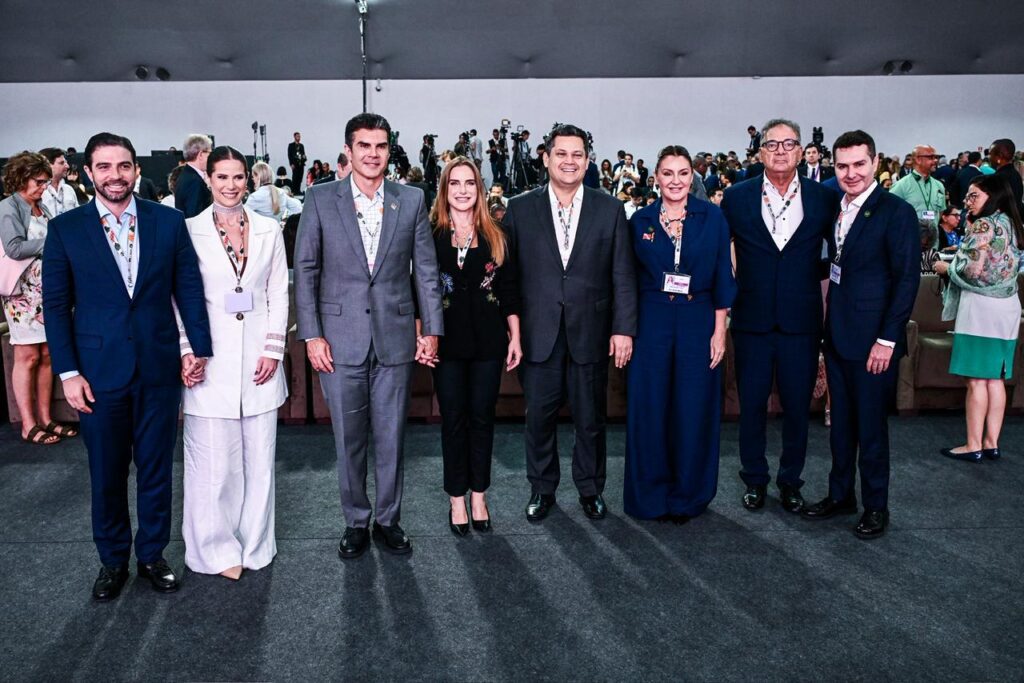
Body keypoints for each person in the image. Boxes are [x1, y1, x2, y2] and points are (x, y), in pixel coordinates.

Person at [42, 132, 211, 600]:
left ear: (136, 170)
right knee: (107, 474)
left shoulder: (168, 221)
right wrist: (68, 373)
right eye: (104, 167)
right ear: (87, 172)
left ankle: (152, 555)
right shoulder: (66, 229)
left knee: (157, 470)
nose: (114, 176)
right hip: (97, 374)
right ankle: (113, 560)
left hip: (158, 367)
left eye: (123, 166)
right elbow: (55, 307)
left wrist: (197, 348)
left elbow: (188, 288)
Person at [294, 113, 443, 559]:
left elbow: (426, 271)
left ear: (389, 150)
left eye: (380, 146)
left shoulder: (411, 199)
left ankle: (388, 519)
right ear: (349, 150)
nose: (373, 154)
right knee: (349, 438)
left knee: (392, 436)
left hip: (395, 337)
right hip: (338, 340)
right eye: (364, 145)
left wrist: (432, 329)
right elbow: (306, 269)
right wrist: (312, 335)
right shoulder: (320, 198)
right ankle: (356, 520)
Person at [502, 123, 637, 522]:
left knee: (591, 419)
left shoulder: (609, 209)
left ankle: (591, 489)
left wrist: (623, 328)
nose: (569, 161)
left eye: (577, 154)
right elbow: (509, 278)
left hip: (591, 332)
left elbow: (623, 274)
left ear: (588, 161)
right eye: (561, 153)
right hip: (538, 332)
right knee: (538, 419)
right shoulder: (519, 209)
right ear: (546, 158)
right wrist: (512, 332)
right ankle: (542, 489)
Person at [801, 130, 919, 539]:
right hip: (837, 336)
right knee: (841, 426)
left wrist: (887, 340)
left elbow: (906, 281)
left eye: (859, 164)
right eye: (843, 166)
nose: (851, 173)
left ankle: (875, 506)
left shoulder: (896, 212)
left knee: (870, 429)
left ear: (875, 163)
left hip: (873, 344)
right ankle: (841, 495)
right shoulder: (838, 208)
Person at [178, 147, 289, 579]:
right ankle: (215, 551)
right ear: (208, 179)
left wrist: (273, 350)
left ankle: (256, 544)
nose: (230, 185)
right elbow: (178, 297)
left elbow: (277, 291)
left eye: (238, 177)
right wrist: (188, 350)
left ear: (249, 180)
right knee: (213, 466)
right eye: (221, 177)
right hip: (209, 360)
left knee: (260, 462)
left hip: (260, 359)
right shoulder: (188, 230)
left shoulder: (268, 228)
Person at [721, 119, 840, 513]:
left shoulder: (824, 199)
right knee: (751, 407)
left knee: (796, 409)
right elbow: (720, 255)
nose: (780, 151)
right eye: (772, 144)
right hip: (751, 321)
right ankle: (754, 479)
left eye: (789, 144)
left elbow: (839, 253)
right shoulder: (736, 197)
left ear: (801, 151)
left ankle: (791, 481)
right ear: (760, 152)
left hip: (801, 322)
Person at [623, 145, 735, 522]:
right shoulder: (640, 221)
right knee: (650, 407)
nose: (675, 181)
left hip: (698, 318)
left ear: (692, 177)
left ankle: (689, 495)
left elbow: (722, 275)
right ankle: (650, 496)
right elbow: (628, 280)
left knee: (693, 407)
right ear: (656, 177)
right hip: (651, 319)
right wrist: (626, 330)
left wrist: (719, 331)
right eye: (668, 173)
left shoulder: (713, 217)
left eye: (683, 173)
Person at [426, 157, 522, 535]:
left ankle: (479, 495)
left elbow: (509, 290)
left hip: (489, 341)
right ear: (444, 190)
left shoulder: (498, 234)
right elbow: (420, 291)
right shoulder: (430, 234)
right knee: (453, 420)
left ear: (479, 190)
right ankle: (456, 498)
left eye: (470, 183)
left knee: (482, 418)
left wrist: (516, 336)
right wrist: (422, 334)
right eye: (455, 183)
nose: (463, 190)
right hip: (446, 342)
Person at [932, 174, 1022, 462]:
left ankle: (973, 445)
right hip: (1008, 306)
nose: (967, 201)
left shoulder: (984, 224)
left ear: (992, 196)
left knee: (976, 381)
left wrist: (945, 269)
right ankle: (991, 443)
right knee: (995, 379)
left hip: (981, 309)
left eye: (973, 195)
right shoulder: (1012, 223)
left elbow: (970, 270)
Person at [1, 153, 75, 445]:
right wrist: (54, 242)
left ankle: (45, 418)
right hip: (22, 294)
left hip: (46, 291)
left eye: (46, 182)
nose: (44, 187)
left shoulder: (40, 205)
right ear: (22, 178)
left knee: (47, 354)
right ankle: (28, 423)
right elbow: (14, 248)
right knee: (27, 356)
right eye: (39, 181)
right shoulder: (8, 207)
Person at [890, 144, 946, 263]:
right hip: (909, 247)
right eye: (931, 157)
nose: (935, 161)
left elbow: (940, 212)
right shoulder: (901, 186)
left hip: (933, 247)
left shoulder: (939, 186)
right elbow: (889, 214)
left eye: (936, 157)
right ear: (918, 159)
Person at [174, 134, 213, 218]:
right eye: (210, 153)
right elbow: (196, 216)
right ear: (201, 154)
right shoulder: (194, 181)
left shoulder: (186, 175)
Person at [38, 148, 79, 217]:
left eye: (66, 162)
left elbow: (79, 216)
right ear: (47, 166)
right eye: (62, 163)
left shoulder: (69, 189)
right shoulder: (38, 192)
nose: (67, 166)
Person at [989, 139, 1023, 207]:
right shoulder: (1015, 174)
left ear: (999, 156)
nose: (989, 158)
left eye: (990, 154)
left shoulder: (997, 178)